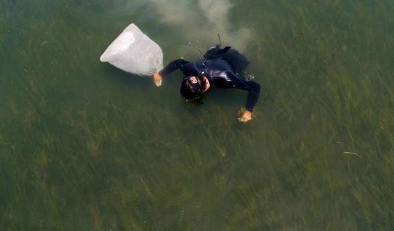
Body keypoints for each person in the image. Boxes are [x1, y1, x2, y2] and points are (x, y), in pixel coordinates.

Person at [153, 45, 260, 122]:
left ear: (204, 90)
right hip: (215, 54)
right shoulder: (189, 69)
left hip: (233, 60)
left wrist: (248, 111)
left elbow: (255, 87)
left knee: (244, 66)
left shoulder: (228, 79)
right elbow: (178, 63)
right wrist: (161, 74)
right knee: (211, 52)